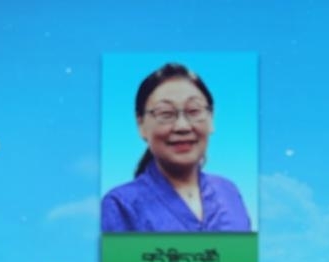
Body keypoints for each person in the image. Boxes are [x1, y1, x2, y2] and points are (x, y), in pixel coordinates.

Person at [101, 63, 251, 232]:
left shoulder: (229, 192)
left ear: (211, 118)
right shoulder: (121, 205)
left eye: (194, 111)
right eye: (166, 113)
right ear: (140, 124)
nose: (182, 126)